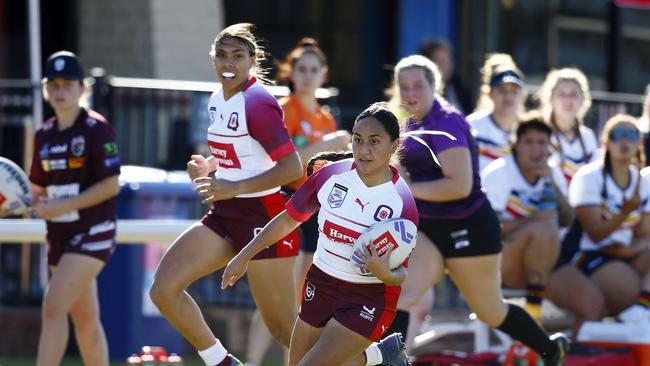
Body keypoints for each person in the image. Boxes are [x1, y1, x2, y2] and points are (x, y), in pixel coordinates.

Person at [391, 54, 567, 365]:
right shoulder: (407, 122)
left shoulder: (447, 122)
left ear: (435, 86)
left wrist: (405, 188)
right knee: (405, 294)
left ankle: (551, 350)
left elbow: (458, 186)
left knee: (490, 310)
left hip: (469, 227)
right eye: (404, 86)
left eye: (418, 85)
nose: (410, 93)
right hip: (430, 228)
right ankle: (390, 362)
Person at [148, 23, 303, 366]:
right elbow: (243, 151)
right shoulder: (218, 98)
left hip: (265, 217)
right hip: (226, 213)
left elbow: (292, 168)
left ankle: (373, 355)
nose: (228, 62)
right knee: (163, 290)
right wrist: (209, 166)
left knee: (285, 331)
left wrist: (233, 186)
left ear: (252, 60)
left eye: (237, 55)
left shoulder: (258, 102)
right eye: (221, 55)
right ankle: (222, 362)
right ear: (212, 59)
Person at [222, 102, 416, 366]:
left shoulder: (401, 202)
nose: (364, 149)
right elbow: (287, 221)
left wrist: (382, 271)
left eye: (375, 141)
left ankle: (378, 355)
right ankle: (380, 355)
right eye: (358, 140)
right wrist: (245, 255)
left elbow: (401, 274)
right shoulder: (331, 176)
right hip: (320, 285)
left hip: (368, 299)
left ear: (394, 145)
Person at [244, 38, 350, 366]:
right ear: (291, 72)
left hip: (315, 211)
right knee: (278, 296)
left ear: (324, 74)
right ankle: (250, 362)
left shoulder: (325, 118)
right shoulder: (284, 111)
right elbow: (286, 164)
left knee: (304, 298)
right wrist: (325, 143)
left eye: (313, 69)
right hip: (285, 204)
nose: (307, 75)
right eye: (301, 69)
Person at [29, 51, 121, 366]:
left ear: (82, 88)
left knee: (53, 306)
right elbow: (38, 188)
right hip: (59, 235)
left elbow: (111, 185)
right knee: (85, 319)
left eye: (67, 84)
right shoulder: (43, 135)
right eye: (52, 84)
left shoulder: (96, 128)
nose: (59, 91)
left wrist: (63, 204)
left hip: (95, 230)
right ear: (45, 90)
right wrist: (21, 200)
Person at [481, 113, 573, 321]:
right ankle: (533, 315)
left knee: (590, 302)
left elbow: (568, 220)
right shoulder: (500, 171)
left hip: (545, 259)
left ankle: (569, 351)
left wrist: (554, 186)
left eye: (542, 143)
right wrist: (536, 221)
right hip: (499, 260)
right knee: (545, 228)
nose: (536, 149)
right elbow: (487, 229)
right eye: (528, 142)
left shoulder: (552, 172)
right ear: (516, 145)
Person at [567, 114, 650, 323]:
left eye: (631, 135)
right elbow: (595, 234)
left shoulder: (645, 181)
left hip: (628, 253)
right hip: (590, 255)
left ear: (639, 143)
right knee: (632, 299)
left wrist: (631, 250)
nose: (624, 141)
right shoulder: (589, 177)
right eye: (617, 135)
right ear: (606, 141)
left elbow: (645, 234)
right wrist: (624, 213)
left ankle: (641, 309)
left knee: (641, 306)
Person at [538, 67, 599, 183]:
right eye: (562, 94)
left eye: (573, 94)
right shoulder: (541, 134)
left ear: (583, 99)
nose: (568, 100)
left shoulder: (588, 136)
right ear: (550, 98)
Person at [467, 57, 526, 172]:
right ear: (490, 93)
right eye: (502, 90)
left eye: (513, 91)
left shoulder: (530, 128)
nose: (508, 97)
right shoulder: (472, 125)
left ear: (522, 95)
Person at [418, 39, 471, 114]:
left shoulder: (459, 87)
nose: (446, 66)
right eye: (440, 61)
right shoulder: (419, 94)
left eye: (448, 60)